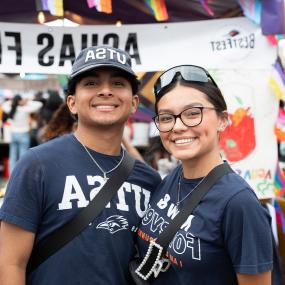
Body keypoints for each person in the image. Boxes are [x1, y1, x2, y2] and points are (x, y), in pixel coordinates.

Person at [0, 45, 161, 285]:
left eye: (118, 83)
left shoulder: (149, 180)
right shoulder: (37, 165)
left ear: (134, 103)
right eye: (91, 83)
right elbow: (10, 263)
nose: (106, 91)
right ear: (72, 103)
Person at [137, 65, 274, 285]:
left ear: (222, 120)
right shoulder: (173, 179)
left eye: (193, 113)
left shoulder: (238, 203)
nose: (178, 126)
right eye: (166, 117)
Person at [2, 95, 43, 173]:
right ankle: (21, 174)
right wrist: (27, 101)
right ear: (21, 101)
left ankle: (12, 176)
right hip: (23, 134)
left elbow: (4, 105)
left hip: (13, 134)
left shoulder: (11, 109)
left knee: (13, 156)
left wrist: (12, 102)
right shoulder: (25, 109)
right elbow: (39, 104)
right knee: (23, 157)